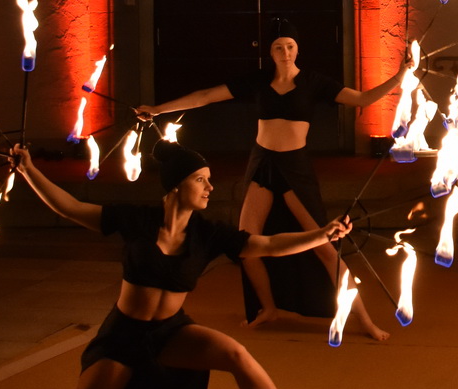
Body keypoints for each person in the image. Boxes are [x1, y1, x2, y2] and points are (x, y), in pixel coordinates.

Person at [10, 141, 344, 389]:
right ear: (176, 185)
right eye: (200, 180)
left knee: (237, 354)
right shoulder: (136, 220)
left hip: (170, 333)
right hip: (122, 337)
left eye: (209, 180)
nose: (209, 188)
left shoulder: (208, 233)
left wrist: (322, 234)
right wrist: (28, 170)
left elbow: (268, 245)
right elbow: (70, 207)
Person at [138, 18, 404, 337]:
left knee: (324, 245)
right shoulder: (259, 81)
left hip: (296, 167)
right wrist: (157, 109)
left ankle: (364, 320)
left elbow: (363, 99)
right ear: (270, 52)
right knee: (246, 243)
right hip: (263, 163)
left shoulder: (314, 82)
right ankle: (268, 308)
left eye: (290, 46)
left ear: (298, 48)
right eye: (278, 47)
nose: (285, 52)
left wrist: (402, 74)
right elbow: (206, 95)